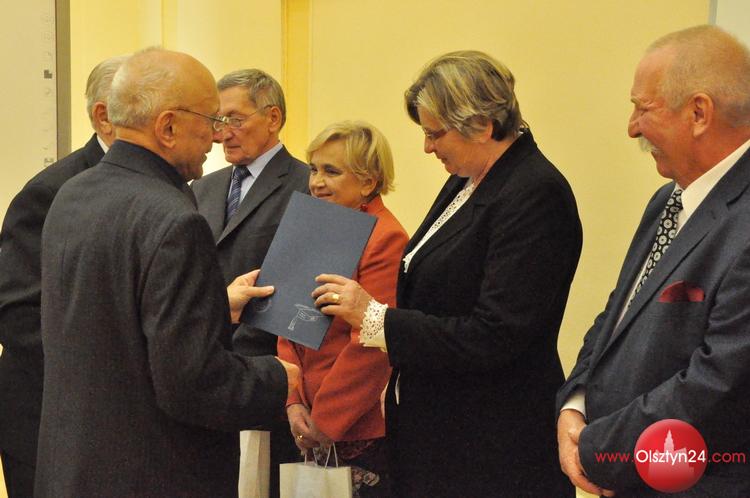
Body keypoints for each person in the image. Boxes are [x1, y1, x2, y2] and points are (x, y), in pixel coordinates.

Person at [313, 51, 581, 497]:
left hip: (492, 445)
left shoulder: (534, 192)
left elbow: (495, 334)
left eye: (435, 133)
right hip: (442, 434)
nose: (427, 147)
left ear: (482, 125)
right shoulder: (470, 178)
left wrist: (375, 318)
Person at [34, 48, 299, 498]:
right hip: (152, 472)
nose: (217, 135)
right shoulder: (174, 219)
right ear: (168, 127)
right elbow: (192, 384)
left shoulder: (72, 194)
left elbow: (110, 322)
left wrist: (213, 307)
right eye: (211, 119)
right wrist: (276, 377)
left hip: (74, 468)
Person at [557, 25, 750, 498]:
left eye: (643, 108)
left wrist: (596, 448)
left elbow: (720, 383)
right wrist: (575, 405)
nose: (632, 127)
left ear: (699, 113)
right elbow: (618, 315)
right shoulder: (669, 199)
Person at [0, 55, 126, 498]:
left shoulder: (168, 186)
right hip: (48, 420)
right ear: (104, 117)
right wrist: (111, 372)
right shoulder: (51, 191)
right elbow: (17, 314)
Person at [191, 68, 309, 497]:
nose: (222, 133)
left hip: (272, 377)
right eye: (216, 121)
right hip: (206, 373)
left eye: (235, 120)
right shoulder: (202, 188)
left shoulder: (308, 184)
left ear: (273, 117)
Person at [278, 121, 408, 497]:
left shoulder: (385, 236)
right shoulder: (314, 225)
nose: (316, 182)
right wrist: (292, 401)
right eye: (313, 169)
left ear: (368, 182)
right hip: (306, 419)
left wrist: (324, 419)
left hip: (355, 424)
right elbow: (287, 318)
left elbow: (373, 342)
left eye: (331, 171)